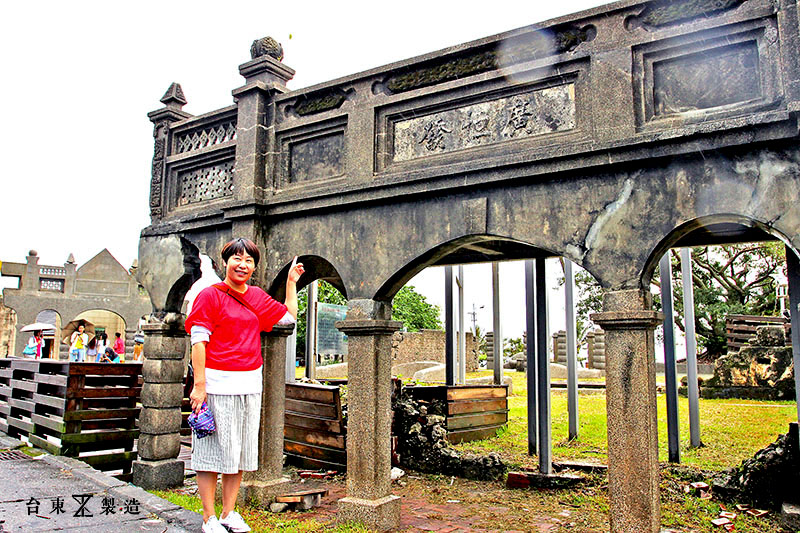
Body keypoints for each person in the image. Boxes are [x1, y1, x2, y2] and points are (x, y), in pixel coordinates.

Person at [185, 238, 303, 533]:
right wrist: (199, 385)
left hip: (249, 384)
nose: (242, 265)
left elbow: (287, 317)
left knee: (238, 452)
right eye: (237, 258)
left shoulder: (257, 296)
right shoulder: (209, 296)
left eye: (249, 260)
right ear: (225, 262)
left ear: (254, 266)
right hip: (215, 384)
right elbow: (198, 341)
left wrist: (291, 282)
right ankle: (208, 517)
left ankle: (228, 513)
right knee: (211, 453)